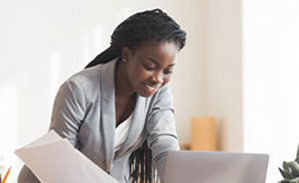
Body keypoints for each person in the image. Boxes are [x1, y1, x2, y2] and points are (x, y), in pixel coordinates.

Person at [17, 8, 186, 183]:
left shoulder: (159, 91)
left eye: (167, 71)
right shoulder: (79, 89)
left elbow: (164, 142)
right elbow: (62, 162)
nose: (158, 78)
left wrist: (179, 178)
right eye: (150, 66)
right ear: (126, 54)